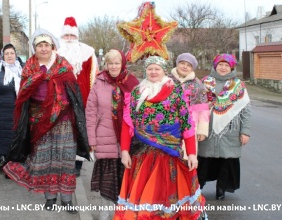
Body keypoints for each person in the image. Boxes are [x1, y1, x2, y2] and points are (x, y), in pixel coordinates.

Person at [3, 29, 90, 214]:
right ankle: (50, 197)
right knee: (45, 159)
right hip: (39, 121)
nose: (43, 49)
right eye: (39, 45)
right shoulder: (29, 68)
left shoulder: (63, 66)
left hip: (63, 120)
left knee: (65, 160)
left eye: (46, 45)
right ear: (34, 48)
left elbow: (74, 92)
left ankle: (66, 199)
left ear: (53, 47)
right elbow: (23, 93)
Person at [114, 56, 206, 219]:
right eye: (150, 68)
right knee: (144, 196)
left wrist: (191, 153)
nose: (153, 72)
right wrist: (125, 152)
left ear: (164, 71)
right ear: (145, 71)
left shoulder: (176, 91)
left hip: (169, 154)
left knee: (168, 195)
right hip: (143, 154)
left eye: (157, 68)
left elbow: (187, 123)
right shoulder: (137, 92)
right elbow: (128, 124)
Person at [86, 49, 139, 220]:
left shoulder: (133, 82)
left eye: (117, 63)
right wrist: (91, 139)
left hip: (128, 140)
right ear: (106, 65)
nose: (114, 66)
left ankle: (121, 212)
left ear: (123, 64)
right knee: (106, 180)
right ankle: (104, 211)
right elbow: (91, 113)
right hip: (104, 137)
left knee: (125, 179)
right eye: (111, 63)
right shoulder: (99, 82)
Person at [197, 54, 251, 200]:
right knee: (204, 159)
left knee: (227, 161)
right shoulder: (204, 83)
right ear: (215, 66)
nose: (223, 67)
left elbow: (246, 110)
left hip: (230, 131)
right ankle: (197, 187)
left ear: (231, 67)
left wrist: (245, 131)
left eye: (226, 65)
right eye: (220, 64)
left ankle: (221, 188)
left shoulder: (239, 86)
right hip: (207, 129)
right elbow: (195, 105)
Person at [57, 16, 99, 177]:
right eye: (66, 36)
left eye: (72, 36)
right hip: (62, 100)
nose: (68, 39)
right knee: (64, 131)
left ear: (77, 36)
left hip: (83, 99)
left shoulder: (88, 53)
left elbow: (94, 76)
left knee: (81, 131)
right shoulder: (56, 53)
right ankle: (63, 161)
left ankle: (78, 164)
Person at [167, 53, 209, 158]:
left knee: (186, 157)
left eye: (189, 65)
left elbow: (203, 110)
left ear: (192, 68)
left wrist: (202, 131)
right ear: (177, 64)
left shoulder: (198, 85)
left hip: (189, 125)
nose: (185, 67)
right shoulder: (166, 80)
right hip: (167, 124)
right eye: (182, 63)